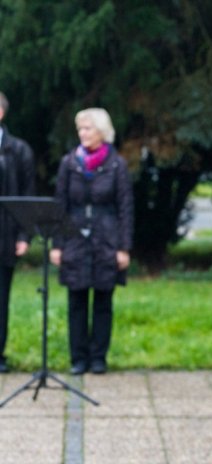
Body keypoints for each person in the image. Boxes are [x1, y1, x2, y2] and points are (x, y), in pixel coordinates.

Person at [50, 108, 134, 375]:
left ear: (102, 131)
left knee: (102, 300)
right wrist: (57, 244)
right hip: (74, 239)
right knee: (76, 300)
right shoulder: (69, 163)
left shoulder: (116, 165)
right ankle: (78, 358)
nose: (82, 134)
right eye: (80, 129)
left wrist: (123, 247)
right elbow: (59, 205)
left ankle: (98, 357)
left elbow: (125, 207)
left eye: (87, 128)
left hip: (106, 239)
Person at [0, 91, 36, 373]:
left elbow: (28, 197)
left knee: (1, 299)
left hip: (5, 237)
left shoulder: (19, 150)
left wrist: (24, 236)